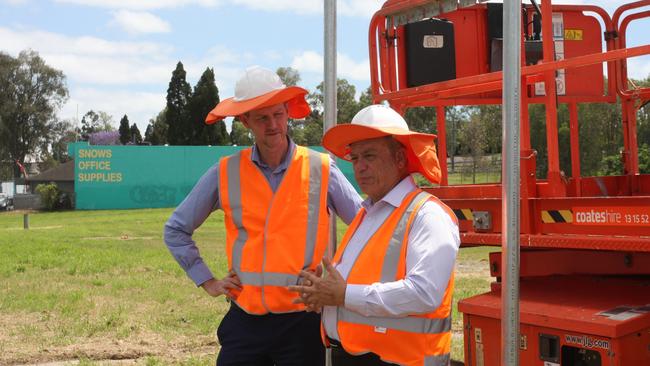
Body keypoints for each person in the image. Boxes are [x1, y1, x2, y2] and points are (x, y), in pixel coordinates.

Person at [164, 65, 362, 366]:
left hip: (303, 322)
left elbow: (367, 226)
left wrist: (339, 280)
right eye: (262, 118)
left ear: (287, 113)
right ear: (245, 121)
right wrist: (208, 281)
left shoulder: (322, 169)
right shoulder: (225, 172)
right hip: (245, 322)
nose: (273, 125)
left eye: (279, 114)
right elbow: (176, 229)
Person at [289, 104, 460, 366]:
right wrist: (325, 296)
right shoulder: (367, 213)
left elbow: (425, 293)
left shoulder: (428, 215)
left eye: (369, 156)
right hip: (354, 354)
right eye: (355, 158)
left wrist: (342, 294)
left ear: (400, 159)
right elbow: (357, 284)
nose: (360, 167)